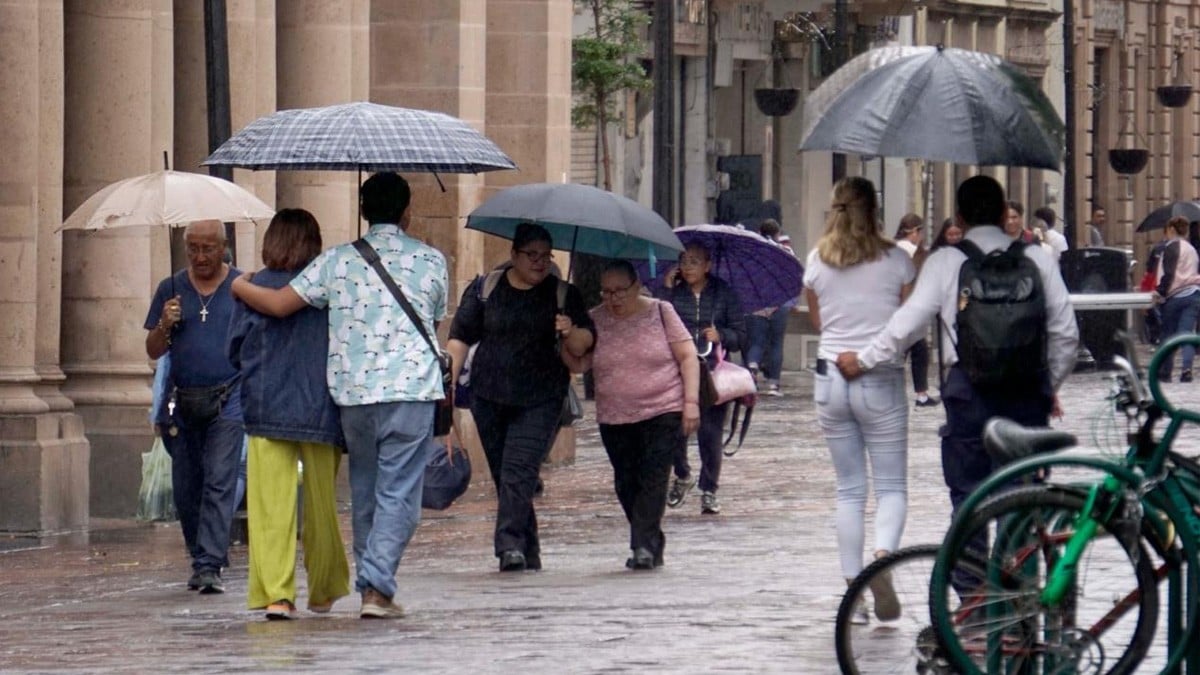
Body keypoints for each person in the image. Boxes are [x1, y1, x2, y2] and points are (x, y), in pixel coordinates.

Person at [231, 172, 448, 620]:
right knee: (400, 495)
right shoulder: (431, 260)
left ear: (363, 211)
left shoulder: (336, 262)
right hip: (410, 390)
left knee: (366, 492)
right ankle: (377, 587)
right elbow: (436, 318)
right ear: (407, 211)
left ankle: (371, 583)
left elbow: (277, 305)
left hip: (354, 394)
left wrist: (236, 284)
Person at [835, 175, 1078, 535]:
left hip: (969, 394)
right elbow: (1067, 335)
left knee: (969, 496)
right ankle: (1019, 583)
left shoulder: (946, 261)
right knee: (1024, 498)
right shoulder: (1037, 259)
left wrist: (864, 359)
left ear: (959, 219)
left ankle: (975, 588)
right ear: (1002, 214)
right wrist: (1045, 382)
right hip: (1027, 394)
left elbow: (908, 324)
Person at [446, 223, 595, 572]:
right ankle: (529, 549)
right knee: (506, 475)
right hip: (489, 397)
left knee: (518, 469)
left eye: (546, 256)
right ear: (513, 255)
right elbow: (460, 337)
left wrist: (569, 330)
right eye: (532, 255)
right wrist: (447, 383)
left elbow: (586, 343)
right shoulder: (486, 289)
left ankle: (508, 545)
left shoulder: (564, 294)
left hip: (541, 398)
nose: (540, 263)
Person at [227, 208, 351, 620]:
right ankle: (324, 588)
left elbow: (234, 347)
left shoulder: (251, 288)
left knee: (270, 509)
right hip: (320, 407)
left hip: (266, 406)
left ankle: (277, 594)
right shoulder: (327, 288)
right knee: (321, 507)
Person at [804, 177, 914, 625]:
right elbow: (906, 322)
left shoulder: (816, 260)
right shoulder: (896, 260)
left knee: (849, 489)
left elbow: (817, 320)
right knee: (891, 486)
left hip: (830, 378)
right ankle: (882, 558)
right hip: (878, 375)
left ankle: (854, 590)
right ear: (876, 209)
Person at [144, 219, 243, 594]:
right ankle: (201, 549)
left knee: (220, 479)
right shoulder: (170, 289)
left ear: (223, 247)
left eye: (209, 248)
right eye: (194, 249)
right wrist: (164, 325)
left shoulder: (240, 287)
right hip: (183, 400)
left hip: (229, 398)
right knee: (187, 487)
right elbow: (153, 350)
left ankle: (207, 565)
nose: (201, 256)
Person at [582, 260, 700, 570]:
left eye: (621, 291)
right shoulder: (594, 319)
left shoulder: (660, 312)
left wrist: (691, 403)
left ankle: (642, 547)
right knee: (625, 482)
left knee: (653, 477)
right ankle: (651, 539)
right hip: (614, 415)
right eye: (606, 292)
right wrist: (567, 336)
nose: (614, 299)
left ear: (637, 287)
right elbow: (578, 364)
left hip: (662, 408)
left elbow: (688, 356)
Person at [660, 242, 746, 515]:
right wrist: (665, 289)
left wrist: (721, 335)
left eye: (694, 261)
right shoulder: (673, 294)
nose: (687, 267)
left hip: (712, 372)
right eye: (683, 261)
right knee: (674, 429)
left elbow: (741, 335)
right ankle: (683, 474)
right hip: (678, 371)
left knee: (710, 434)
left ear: (708, 265)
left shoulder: (724, 294)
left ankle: (709, 489)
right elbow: (656, 323)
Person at [744, 218, 795, 397]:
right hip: (779, 303)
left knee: (756, 341)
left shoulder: (752, 252)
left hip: (757, 303)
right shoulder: (785, 251)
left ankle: (752, 368)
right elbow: (793, 275)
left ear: (759, 231)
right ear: (778, 233)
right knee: (776, 344)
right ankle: (773, 385)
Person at [893, 214, 938, 408]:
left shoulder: (891, 250)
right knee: (913, 352)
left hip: (899, 307)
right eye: (919, 232)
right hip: (909, 306)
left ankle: (919, 394)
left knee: (913, 350)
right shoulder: (912, 252)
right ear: (914, 232)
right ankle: (919, 395)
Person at [1152, 216, 1200, 383]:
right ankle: (1186, 369)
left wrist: (1160, 291)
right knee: (1187, 334)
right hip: (1193, 294)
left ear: (1171, 229)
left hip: (1175, 295)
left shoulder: (1171, 247)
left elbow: (1169, 273)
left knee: (1168, 335)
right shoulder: (1191, 249)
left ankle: (1165, 371)